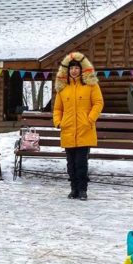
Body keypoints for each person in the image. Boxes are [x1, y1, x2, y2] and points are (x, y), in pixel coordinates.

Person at [52, 51, 103, 201]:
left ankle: (82, 190)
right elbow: (57, 109)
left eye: (77, 68)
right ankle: (73, 189)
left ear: (82, 69)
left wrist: (90, 119)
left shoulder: (91, 86)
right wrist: (58, 122)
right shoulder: (62, 88)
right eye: (71, 68)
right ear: (67, 71)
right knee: (71, 164)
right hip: (67, 130)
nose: (74, 70)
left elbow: (98, 103)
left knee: (81, 163)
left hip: (84, 130)